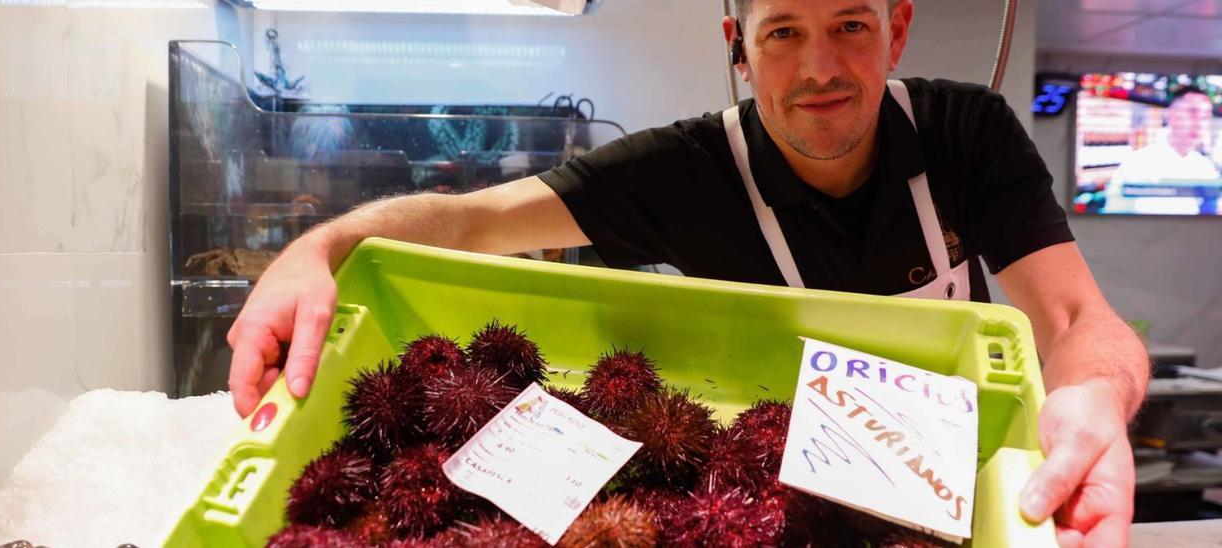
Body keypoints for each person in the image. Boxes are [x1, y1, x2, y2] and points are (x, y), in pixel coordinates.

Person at [225, 1, 1147, 545]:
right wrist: (317, 249)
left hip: (946, 489)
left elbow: (1073, 323)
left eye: (850, 25)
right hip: (760, 495)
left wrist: (1098, 395)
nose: (819, 68)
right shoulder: (684, 170)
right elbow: (473, 219)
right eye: (783, 31)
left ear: (897, 29)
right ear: (738, 45)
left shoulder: (967, 134)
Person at [1105, 86, 1220, 215]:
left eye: (1205, 117)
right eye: (1192, 112)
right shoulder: (1137, 163)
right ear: (1170, 114)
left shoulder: (1205, 167)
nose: (1199, 123)